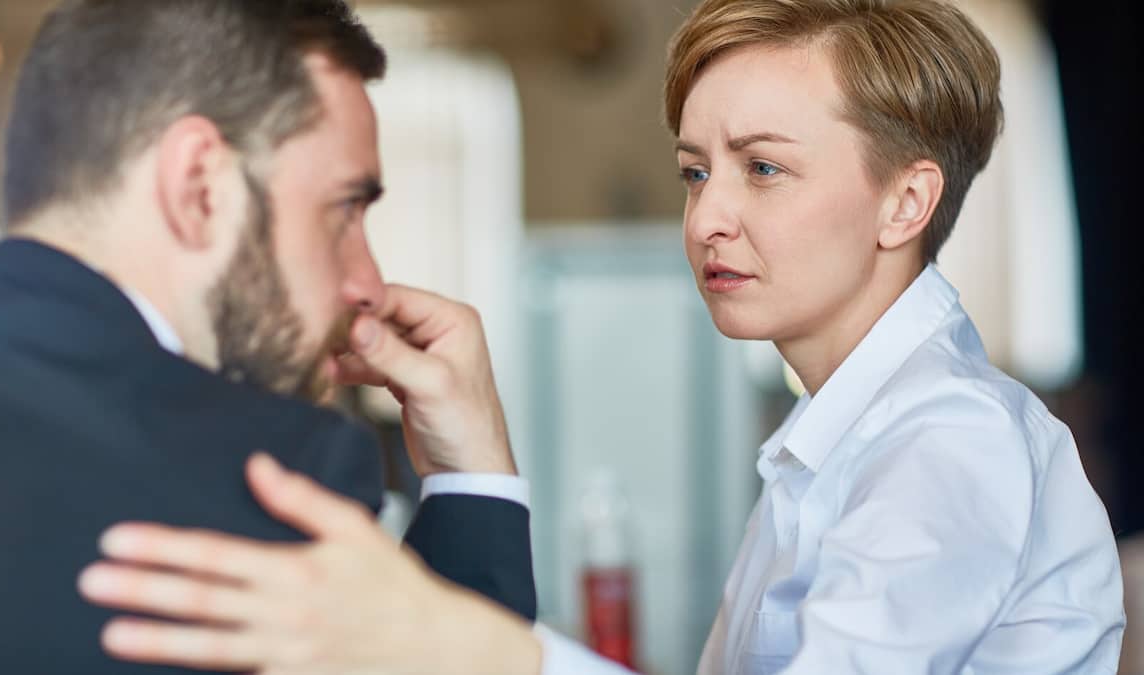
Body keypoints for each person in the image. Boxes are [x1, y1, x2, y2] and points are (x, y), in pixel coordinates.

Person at [77, 0, 1126, 673]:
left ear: (907, 203)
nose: (708, 216)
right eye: (695, 171)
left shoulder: (946, 441)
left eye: (763, 167)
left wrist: (464, 645)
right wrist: (476, 463)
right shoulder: (847, 435)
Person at [0, 1, 537, 673]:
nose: (369, 283)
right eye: (344, 208)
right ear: (199, 186)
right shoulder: (273, 478)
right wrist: (473, 485)